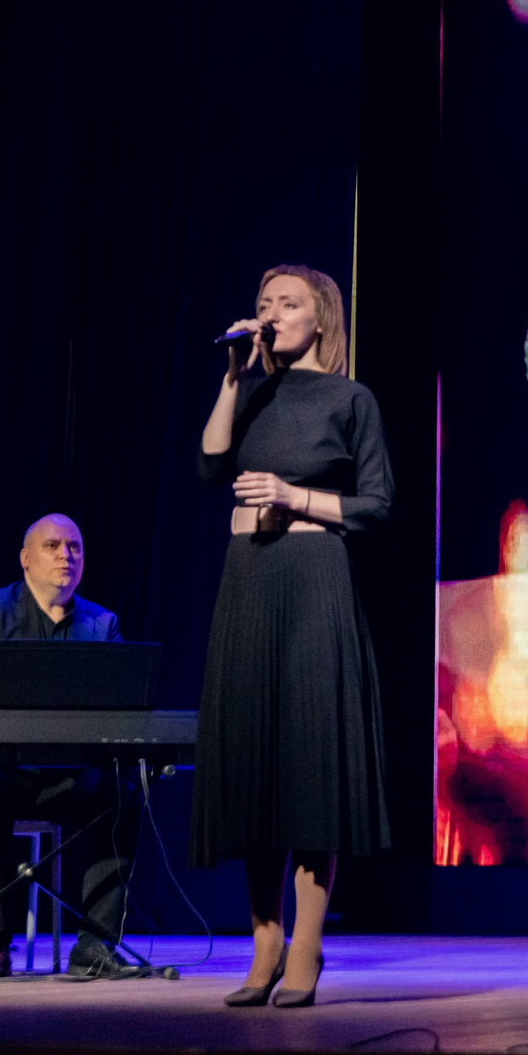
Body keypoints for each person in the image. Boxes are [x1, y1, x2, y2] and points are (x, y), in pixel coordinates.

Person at [193, 265, 393, 1008]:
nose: (271, 313)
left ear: (321, 318)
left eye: (288, 302)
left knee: (310, 765)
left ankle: (307, 941)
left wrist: (292, 494)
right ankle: (265, 938)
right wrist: (232, 378)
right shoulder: (251, 391)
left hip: (313, 578)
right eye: (263, 303)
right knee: (255, 763)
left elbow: (377, 504)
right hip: (248, 578)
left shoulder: (351, 399)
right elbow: (209, 464)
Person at [0, 513, 143, 978]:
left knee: (124, 790)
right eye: (53, 546)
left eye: (74, 547)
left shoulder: (102, 622)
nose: (65, 555)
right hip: (6, 773)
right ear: (26, 559)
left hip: (69, 778)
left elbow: (121, 706)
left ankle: (94, 946)